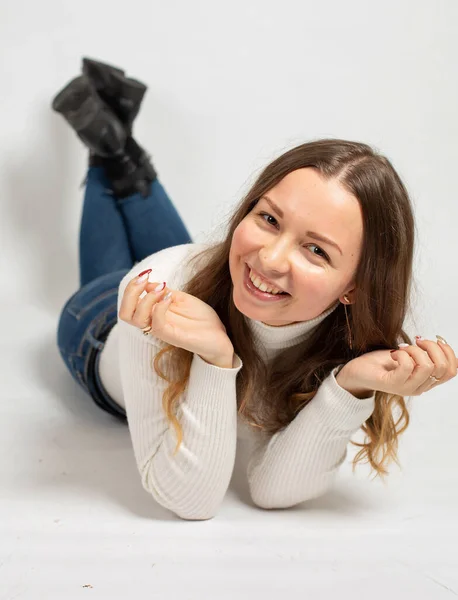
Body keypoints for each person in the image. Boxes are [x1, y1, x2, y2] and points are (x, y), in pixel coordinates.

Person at [55, 58, 457, 521]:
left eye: (316, 251)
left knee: (190, 259)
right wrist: (214, 358)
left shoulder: (347, 339)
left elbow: (273, 491)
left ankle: (116, 140)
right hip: (104, 322)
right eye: (268, 218)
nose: (269, 258)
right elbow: (190, 500)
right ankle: (108, 148)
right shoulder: (161, 282)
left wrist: (350, 386)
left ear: (356, 287)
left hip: (196, 274)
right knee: (160, 267)